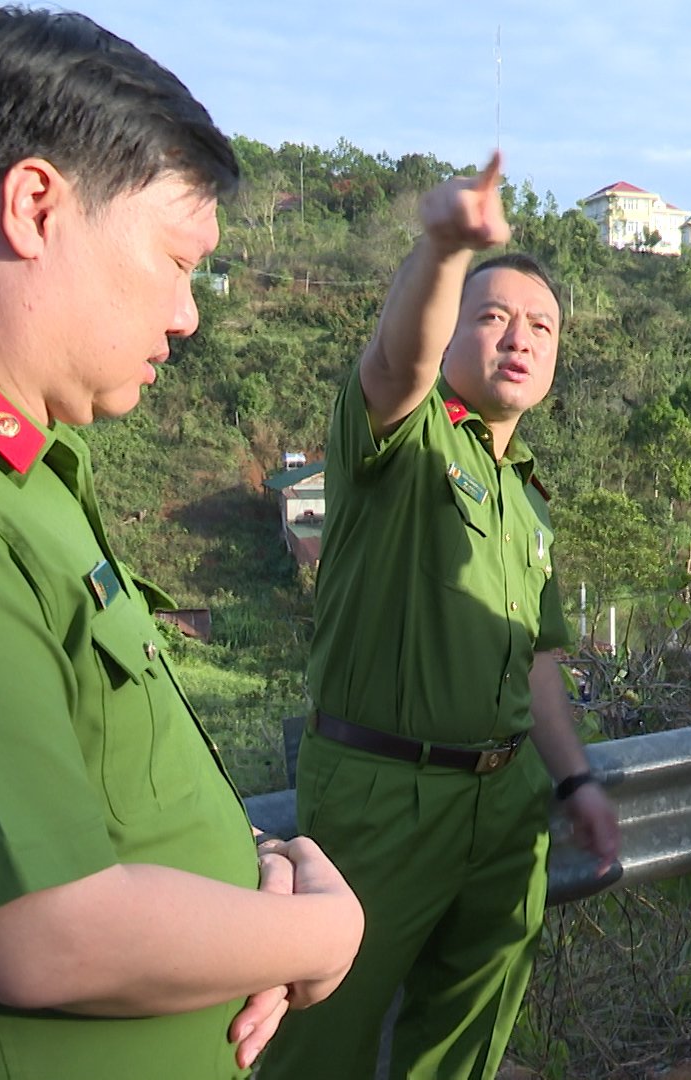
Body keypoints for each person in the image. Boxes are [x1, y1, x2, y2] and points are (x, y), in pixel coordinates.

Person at [0, 8, 365, 1077]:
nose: (187, 316)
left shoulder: (6, 468)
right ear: (37, 205)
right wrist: (323, 932)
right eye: (177, 261)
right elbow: (42, 932)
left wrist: (247, 875)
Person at [265, 154, 618, 1080]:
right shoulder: (401, 435)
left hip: (505, 801)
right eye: (493, 316)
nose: (520, 338)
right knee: (319, 1042)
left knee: (466, 1040)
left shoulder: (527, 496)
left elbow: (537, 662)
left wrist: (575, 779)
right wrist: (444, 246)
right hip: (382, 796)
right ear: (452, 326)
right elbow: (398, 358)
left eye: (542, 326)